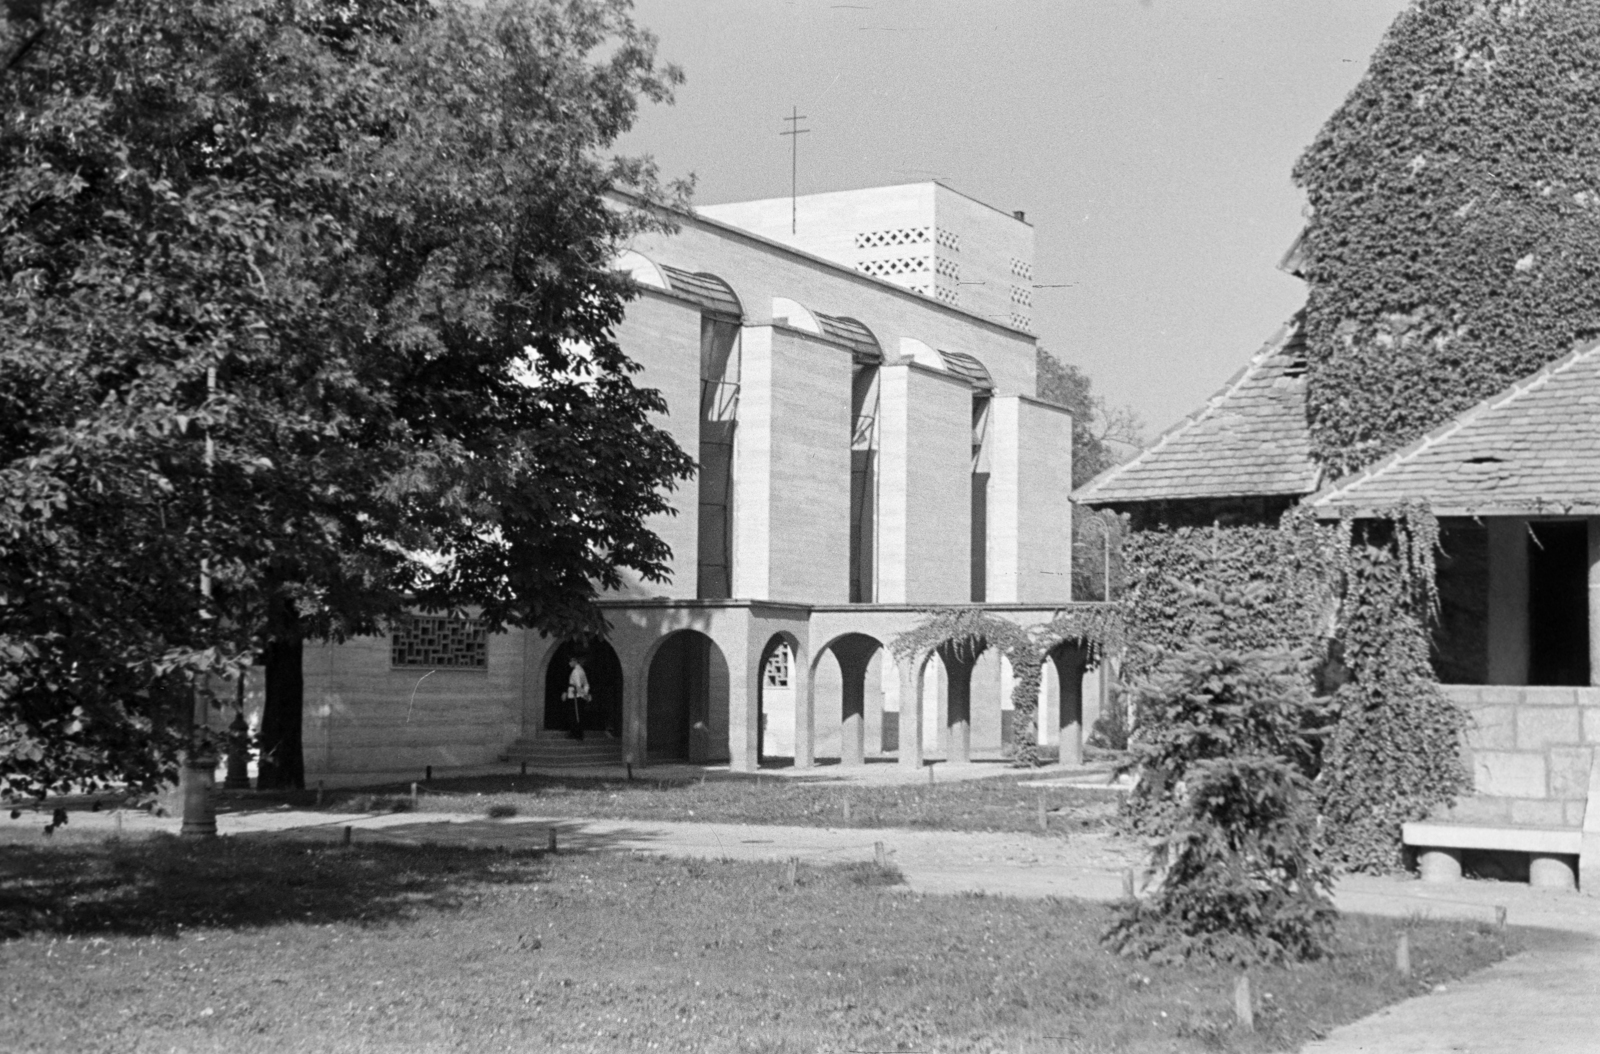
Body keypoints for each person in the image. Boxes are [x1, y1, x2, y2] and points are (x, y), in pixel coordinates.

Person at [563, 657, 591, 740]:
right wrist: (585, 693)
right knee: (577, 714)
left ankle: (576, 734)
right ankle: (576, 733)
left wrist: (584, 695)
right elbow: (586, 684)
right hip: (578, 695)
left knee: (575, 715)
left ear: (575, 661)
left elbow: (578, 686)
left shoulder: (576, 672)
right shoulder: (582, 670)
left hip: (574, 695)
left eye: (570, 662)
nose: (569, 664)